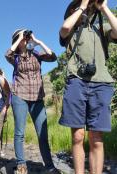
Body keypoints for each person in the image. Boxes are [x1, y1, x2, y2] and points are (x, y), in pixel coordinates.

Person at [59, 0, 117, 173]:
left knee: (96, 137)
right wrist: (82, 6)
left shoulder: (101, 27)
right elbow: (64, 29)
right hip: (76, 81)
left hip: (101, 83)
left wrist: (104, 7)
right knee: (78, 136)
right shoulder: (71, 29)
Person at [5, 29, 60, 174]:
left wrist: (38, 42)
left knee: (42, 133)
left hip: (37, 98)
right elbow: (7, 54)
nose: (26, 39)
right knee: (19, 133)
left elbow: (53, 57)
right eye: (23, 37)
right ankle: (21, 164)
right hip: (20, 96)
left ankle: (49, 166)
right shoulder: (15, 57)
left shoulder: (36, 54)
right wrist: (19, 38)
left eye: (26, 36)